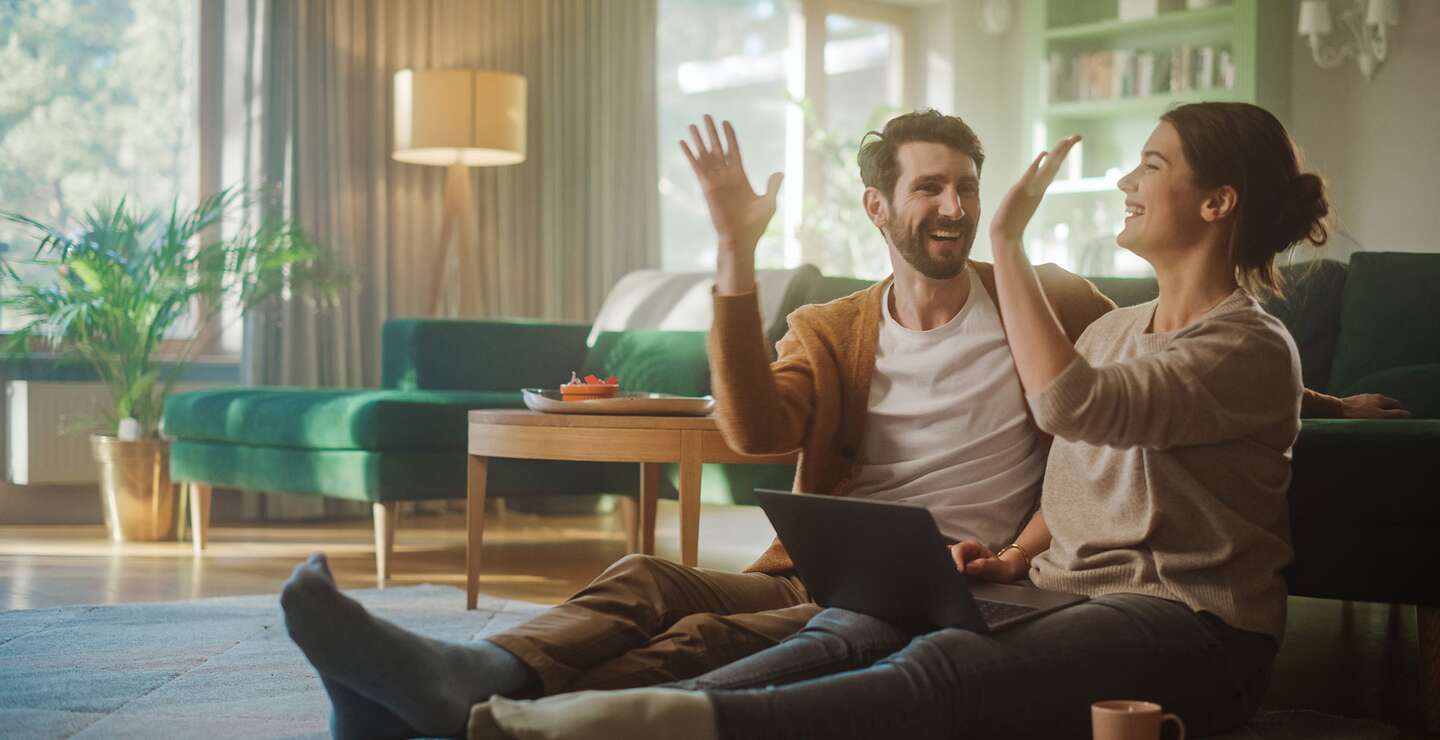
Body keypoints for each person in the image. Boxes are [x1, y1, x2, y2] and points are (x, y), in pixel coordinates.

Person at [280, 108, 1397, 740]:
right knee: (658, 585)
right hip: (888, 570)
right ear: (880, 207)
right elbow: (753, 426)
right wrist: (733, 254)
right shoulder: (838, 323)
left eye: (968, 185)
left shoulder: (1052, 305)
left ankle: (518, 716)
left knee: (752, 644)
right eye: (931, 189)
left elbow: (1180, 384)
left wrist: (1329, 400)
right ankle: (468, 678)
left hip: (1001, 590)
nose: (956, 205)